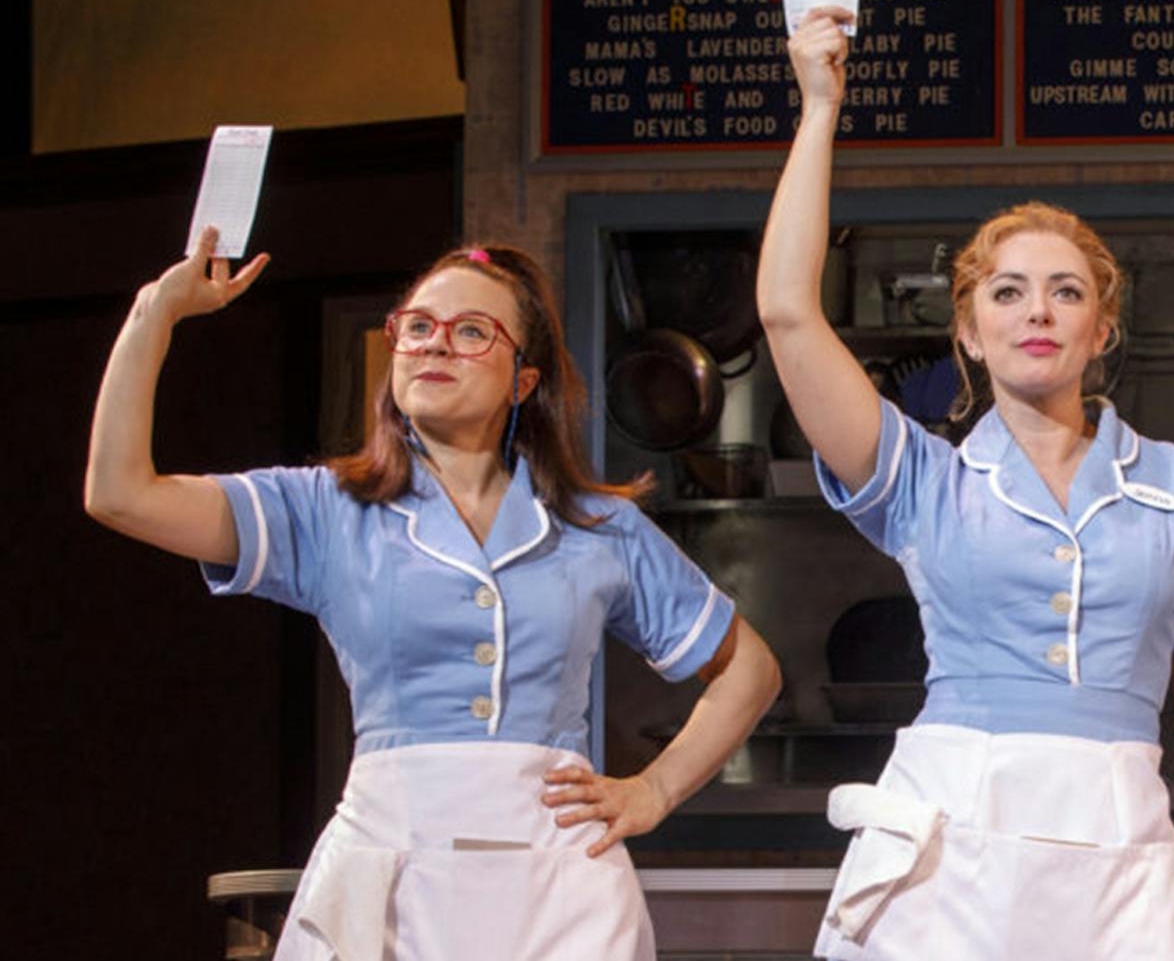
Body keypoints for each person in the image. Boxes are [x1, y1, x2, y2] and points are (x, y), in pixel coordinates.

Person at [85, 236, 781, 960]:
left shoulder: (595, 525)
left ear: (523, 380)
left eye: (471, 331)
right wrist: (153, 312)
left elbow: (749, 670)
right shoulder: (326, 510)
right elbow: (121, 493)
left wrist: (654, 790)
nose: (433, 345)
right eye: (417, 327)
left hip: (560, 890)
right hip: (389, 879)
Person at [759, 6, 1174, 961]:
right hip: (952, 849)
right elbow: (789, 313)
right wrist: (820, 106)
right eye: (1006, 291)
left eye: (1066, 290)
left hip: (1126, 855)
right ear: (968, 330)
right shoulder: (924, 479)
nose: (1037, 309)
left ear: (1101, 328)